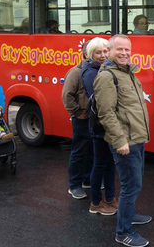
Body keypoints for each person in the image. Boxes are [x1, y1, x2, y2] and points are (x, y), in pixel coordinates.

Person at [94, 34, 151, 247]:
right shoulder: (108, 76)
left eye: (127, 49)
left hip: (136, 137)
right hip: (125, 141)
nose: (125, 53)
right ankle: (123, 232)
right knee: (131, 185)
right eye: (120, 49)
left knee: (135, 182)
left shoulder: (128, 72)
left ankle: (130, 214)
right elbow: (106, 113)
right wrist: (119, 141)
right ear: (109, 51)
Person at [81, 37, 118, 215]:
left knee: (110, 163)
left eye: (105, 51)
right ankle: (96, 202)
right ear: (90, 55)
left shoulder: (103, 68)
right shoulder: (90, 72)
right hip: (99, 126)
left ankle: (110, 197)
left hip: (106, 125)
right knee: (100, 164)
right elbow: (101, 100)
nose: (103, 55)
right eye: (98, 52)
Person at [62, 40, 93, 200]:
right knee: (79, 151)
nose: (102, 55)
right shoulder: (75, 72)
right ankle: (74, 185)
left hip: (94, 118)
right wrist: (77, 112)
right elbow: (66, 96)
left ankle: (88, 180)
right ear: (86, 54)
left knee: (92, 150)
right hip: (82, 118)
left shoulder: (100, 70)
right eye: (96, 51)